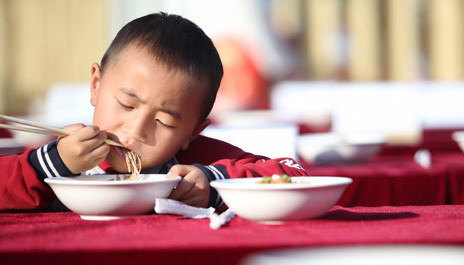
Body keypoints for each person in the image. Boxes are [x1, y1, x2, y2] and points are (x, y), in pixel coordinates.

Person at [0, 12, 306, 211]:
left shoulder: (194, 161)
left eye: (164, 122)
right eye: (126, 104)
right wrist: (50, 165)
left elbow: (295, 175)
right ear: (96, 85)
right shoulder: (59, 156)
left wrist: (213, 182)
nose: (136, 130)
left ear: (193, 133)